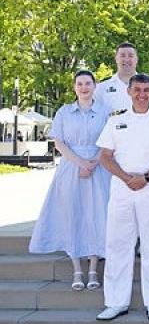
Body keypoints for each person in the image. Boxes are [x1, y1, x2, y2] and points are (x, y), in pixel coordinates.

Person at [95, 73, 149, 321]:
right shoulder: (116, 120)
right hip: (122, 189)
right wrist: (126, 177)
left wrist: (146, 177)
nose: (142, 95)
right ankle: (116, 301)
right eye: (137, 90)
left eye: (147, 90)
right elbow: (105, 156)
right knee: (118, 244)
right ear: (129, 92)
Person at [29, 70, 111, 291]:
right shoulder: (64, 112)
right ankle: (77, 268)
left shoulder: (105, 112)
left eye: (88, 83)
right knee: (72, 215)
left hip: (99, 167)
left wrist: (92, 162)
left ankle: (93, 268)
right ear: (75, 87)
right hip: (71, 168)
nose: (84, 87)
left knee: (96, 215)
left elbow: (109, 141)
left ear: (95, 86)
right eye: (79, 83)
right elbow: (59, 143)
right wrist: (81, 164)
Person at [95, 42, 149, 112]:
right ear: (116, 58)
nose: (126, 59)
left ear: (136, 59)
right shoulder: (102, 88)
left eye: (130, 56)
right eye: (122, 56)